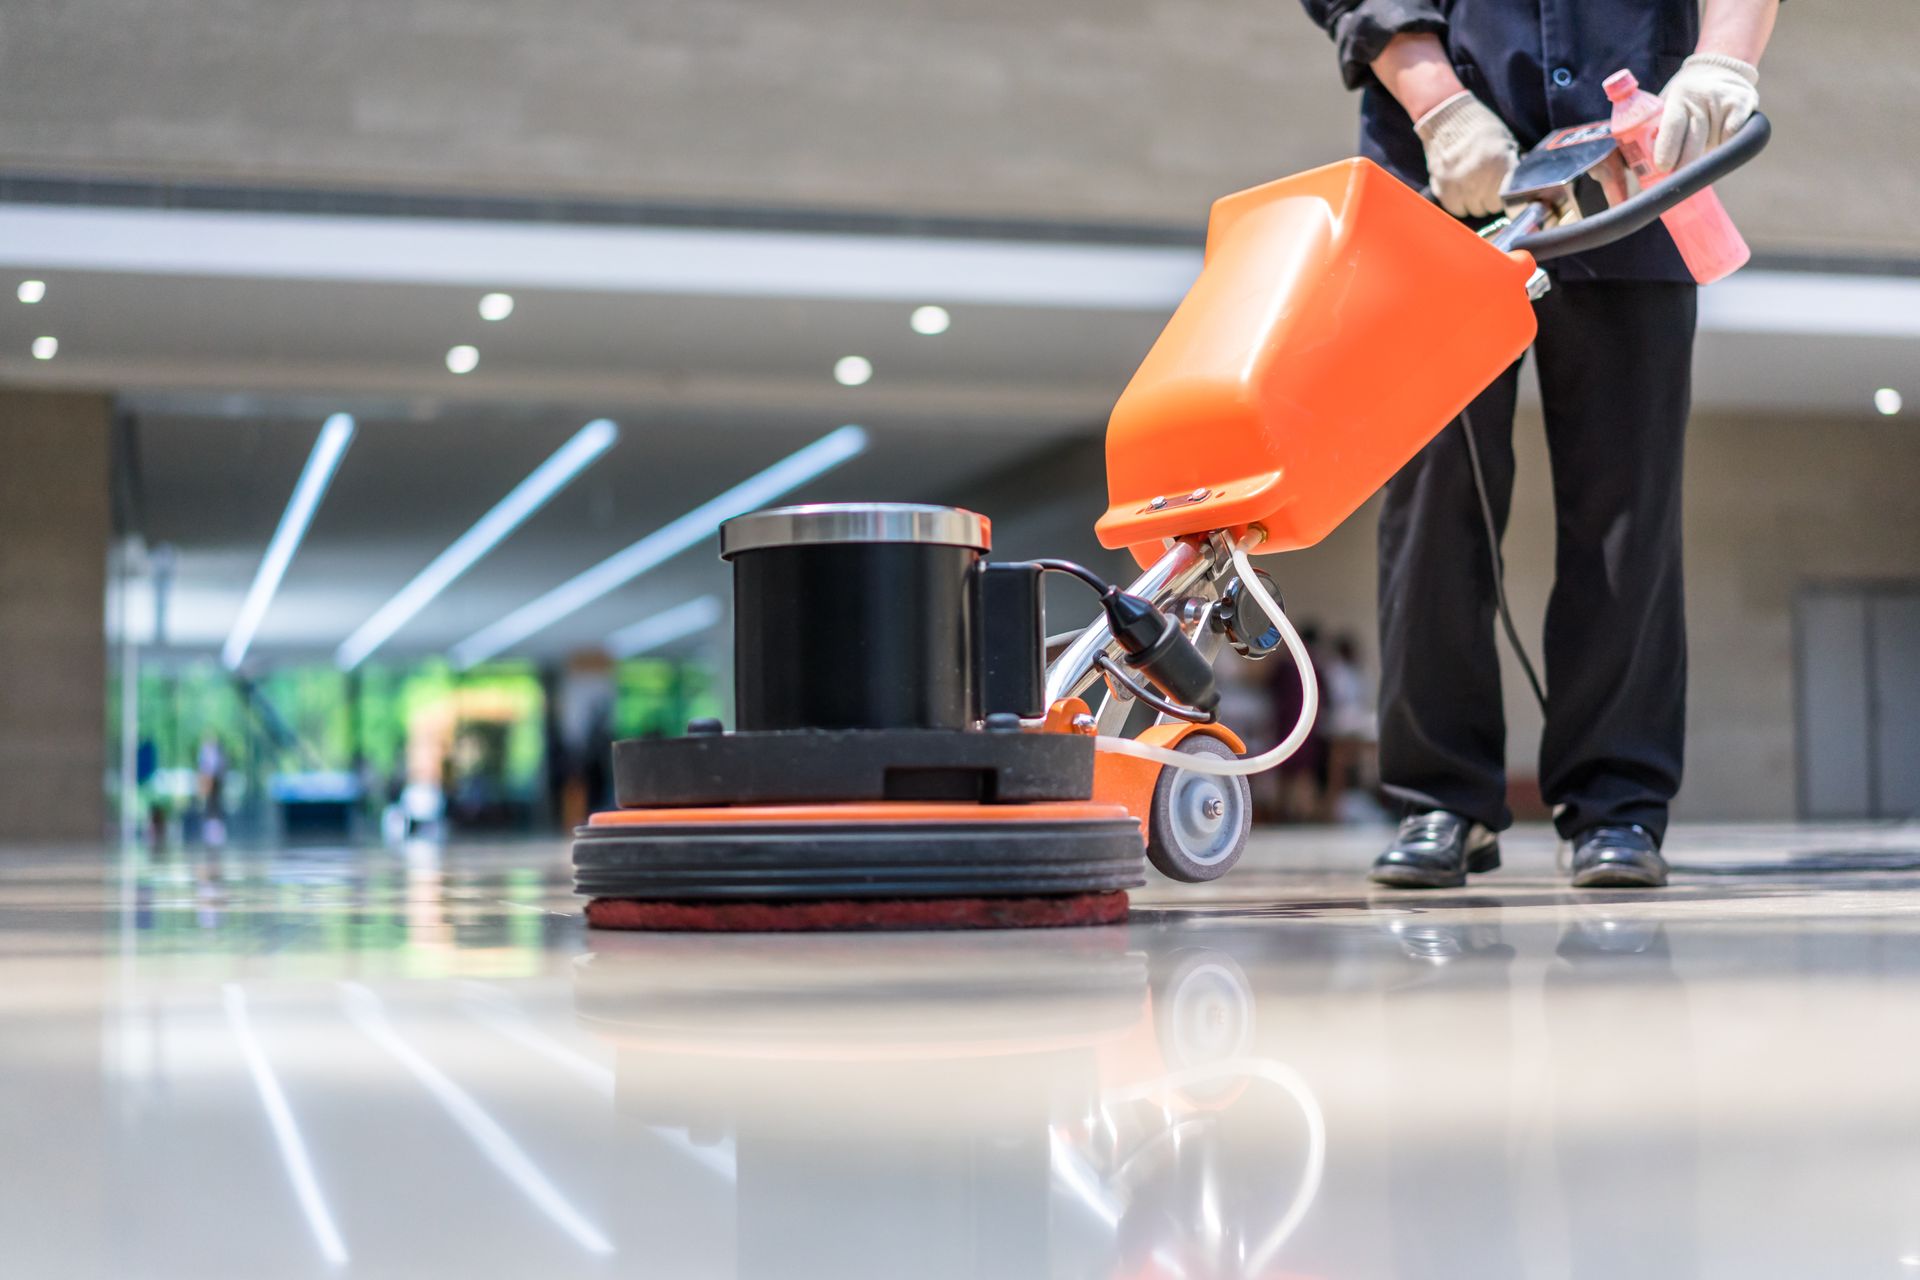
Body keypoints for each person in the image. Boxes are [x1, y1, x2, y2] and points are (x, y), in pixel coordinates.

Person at [1297, 0, 1780, 888]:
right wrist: (1436, 103)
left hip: (1635, 166)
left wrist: (1724, 60)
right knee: (1437, 498)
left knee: (1627, 506)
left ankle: (1617, 807)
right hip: (1444, 172)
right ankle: (1440, 799)